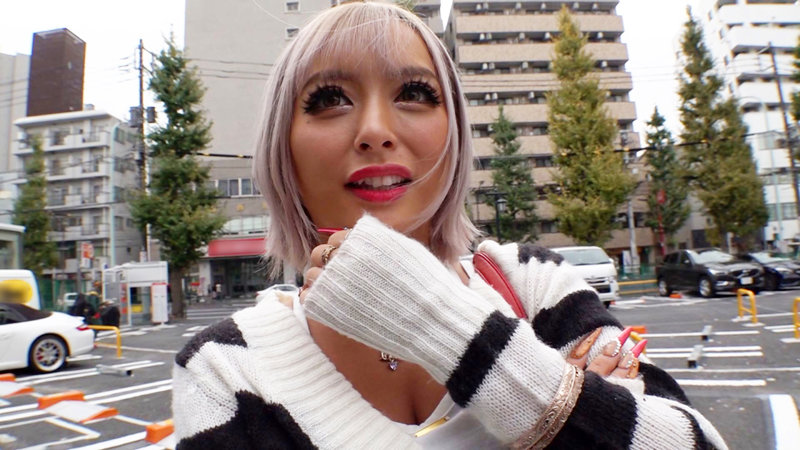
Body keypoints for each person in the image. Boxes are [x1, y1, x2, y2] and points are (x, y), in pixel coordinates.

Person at [172, 2, 727, 449]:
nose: (374, 130)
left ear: (455, 130)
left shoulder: (535, 284)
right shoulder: (225, 368)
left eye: (414, 93)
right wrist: (573, 409)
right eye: (329, 99)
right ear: (283, 145)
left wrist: (441, 325)